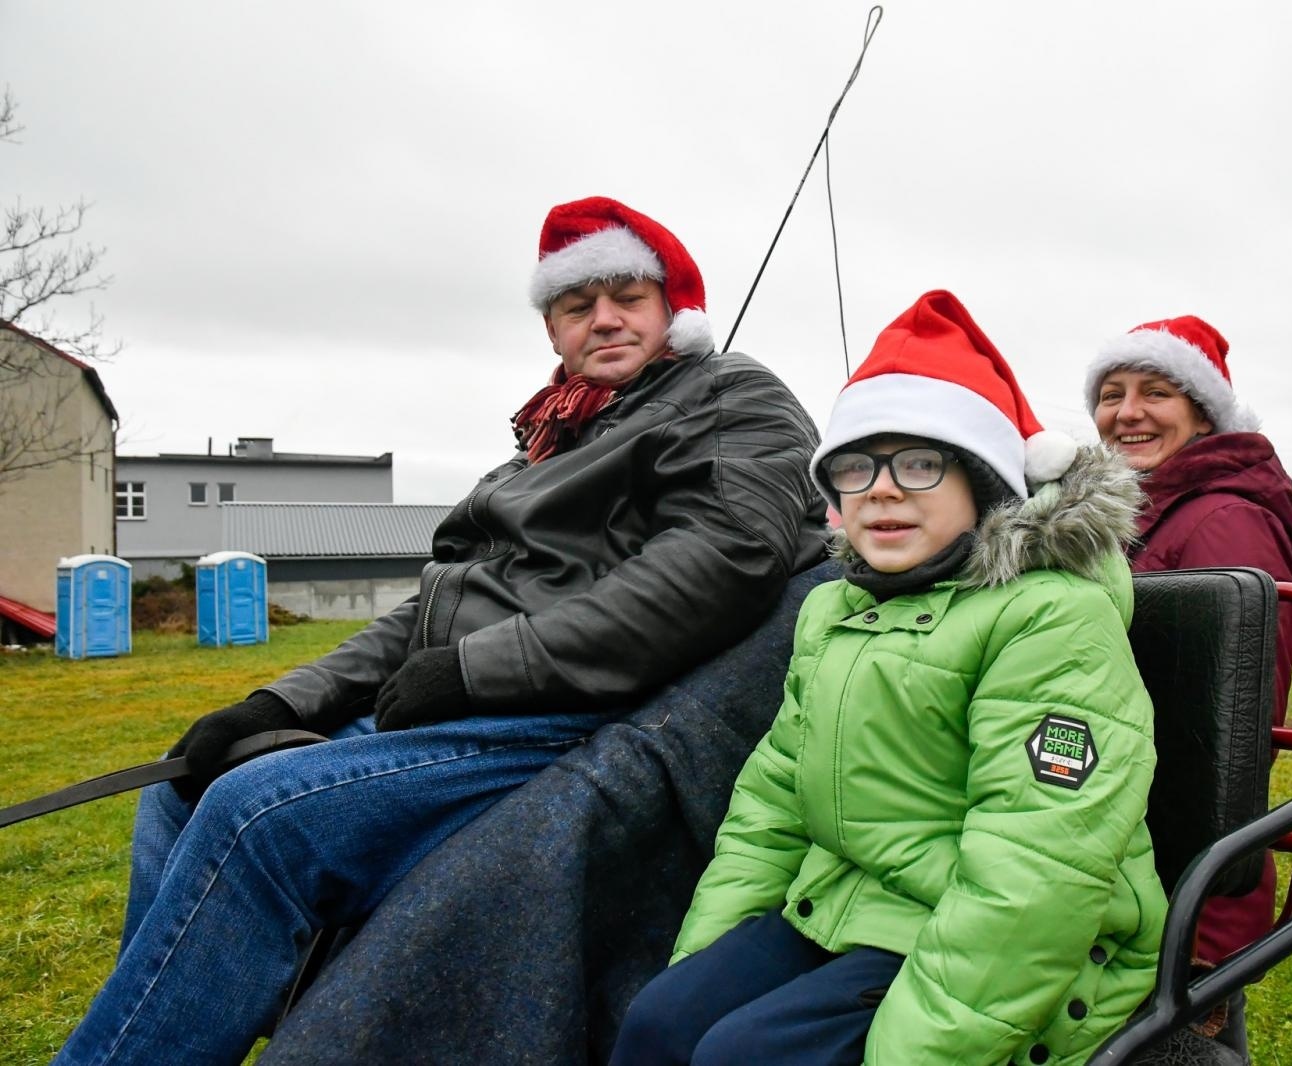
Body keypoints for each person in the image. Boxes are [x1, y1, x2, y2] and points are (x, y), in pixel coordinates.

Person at [55, 196, 828, 1065]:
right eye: (578, 305)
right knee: (184, 786)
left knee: (256, 814)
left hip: (566, 709)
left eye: (627, 297)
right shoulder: (545, 441)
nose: (604, 319)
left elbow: (722, 559)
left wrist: (477, 669)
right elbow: (434, 600)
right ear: (553, 330)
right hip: (466, 697)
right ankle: (183, 1015)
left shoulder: (729, 394)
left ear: (673, 309)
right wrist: (280, 700)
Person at [610, 290, 1167, 1066]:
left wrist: (916, 1052)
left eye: (920, 462)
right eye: (854, 465)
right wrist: (705, 969)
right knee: (659, 1025)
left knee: (744, 1056)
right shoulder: (834, 611)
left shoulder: (1048, 619)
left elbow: (1040, 867)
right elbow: (773, 803)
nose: (880, 488)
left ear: (985, 482)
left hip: (1010, 939)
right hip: (842, 901)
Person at [1084, 314, 1292, 1058]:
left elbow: (1232, 731)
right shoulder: (1139, 510)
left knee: (1174, 1038)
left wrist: (1202, 911)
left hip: (1178, 864)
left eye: (1156, 392)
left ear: (1205, 413)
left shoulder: (1222, 522)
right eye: (1111, 394)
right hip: (1126, 834)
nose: (1127, 412)